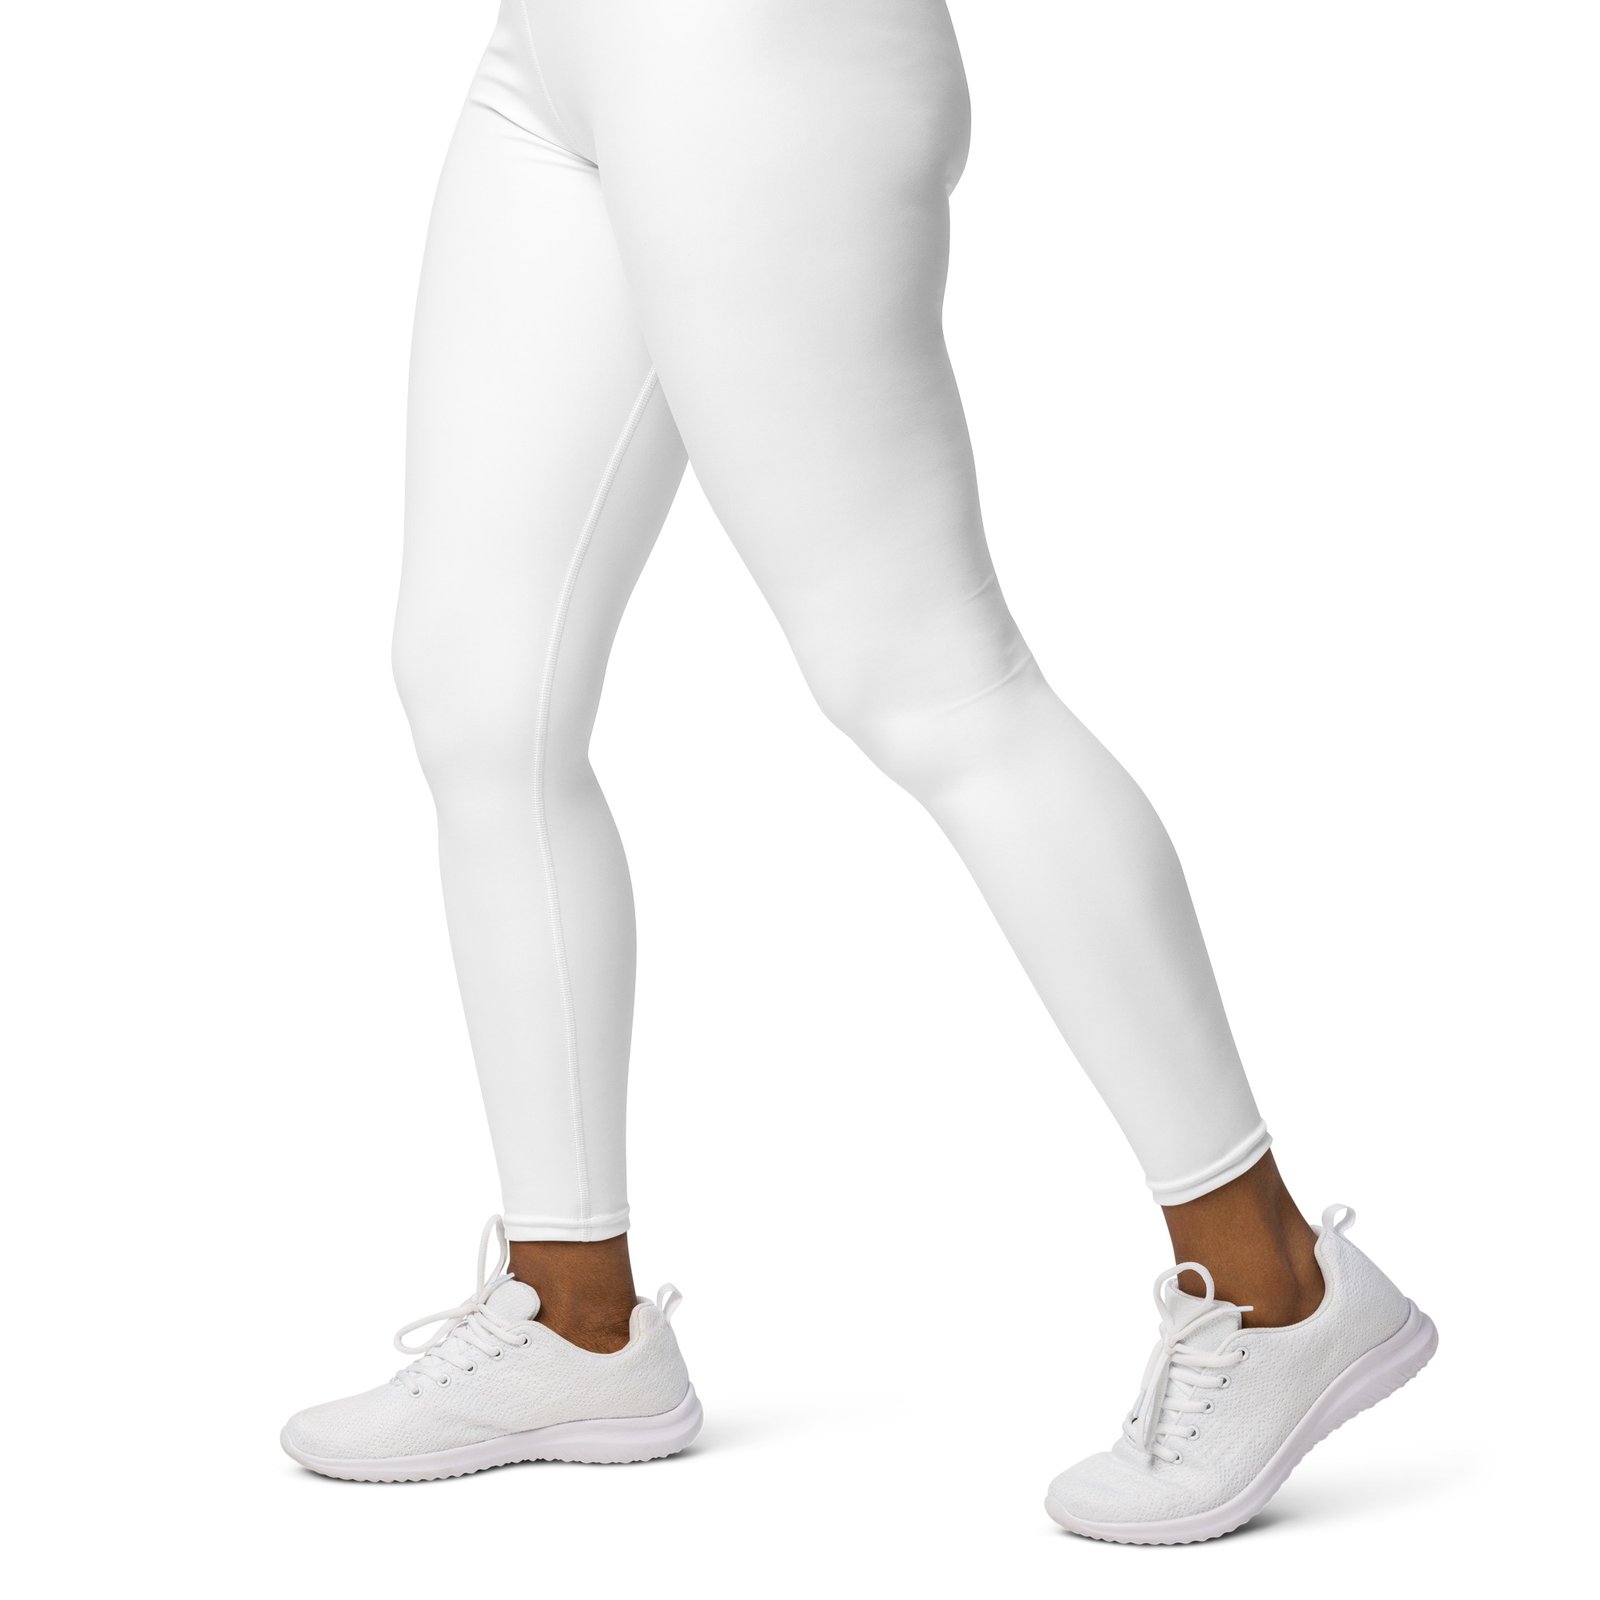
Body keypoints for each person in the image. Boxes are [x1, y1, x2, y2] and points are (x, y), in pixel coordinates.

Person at [281, 0, 1435, 1542]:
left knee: (933, 685)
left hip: (760, 51)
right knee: (478, 695)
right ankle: (575, 1320)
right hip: (553, 50)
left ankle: (1279, 1281)